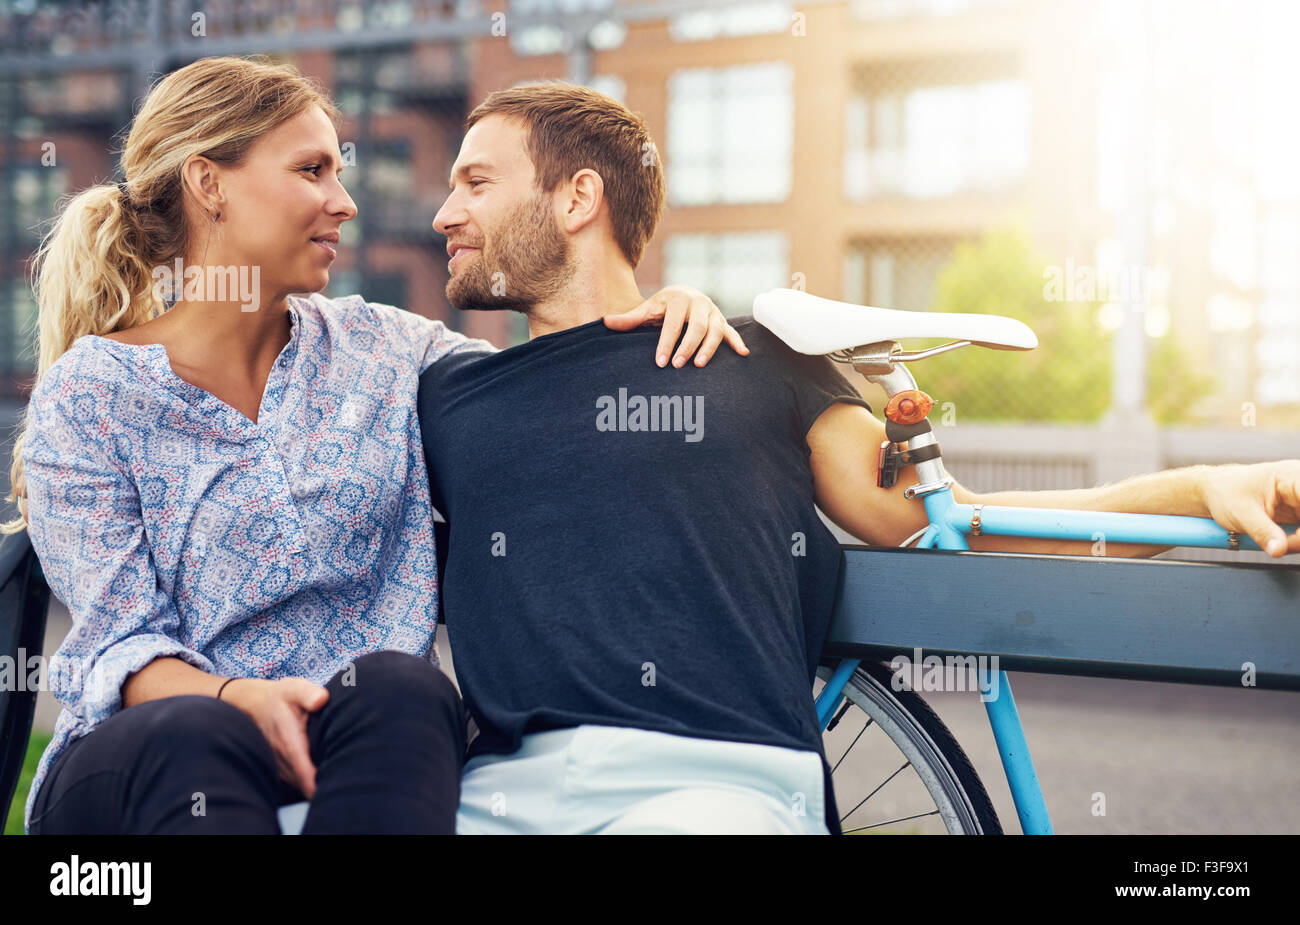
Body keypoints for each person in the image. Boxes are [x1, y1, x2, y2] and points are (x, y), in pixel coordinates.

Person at [416, 81, 1300, 835]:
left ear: (577, 200)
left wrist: (1201, 485)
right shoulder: (446, 396)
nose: (443, 213)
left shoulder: (756, 359)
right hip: (498, 795)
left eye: (476, 182)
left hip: (709, 788)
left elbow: (951, 526)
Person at [3, 56, 743, 835]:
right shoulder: (90, 394)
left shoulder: (388, 350)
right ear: (209, 184)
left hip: (353, 741)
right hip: (146, 755)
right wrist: (239, 697)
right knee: (200, 733)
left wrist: (657, 309)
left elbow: (547, 402)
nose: (345, 202)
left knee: (408, 687)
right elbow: (120, 646)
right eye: (312, 170)